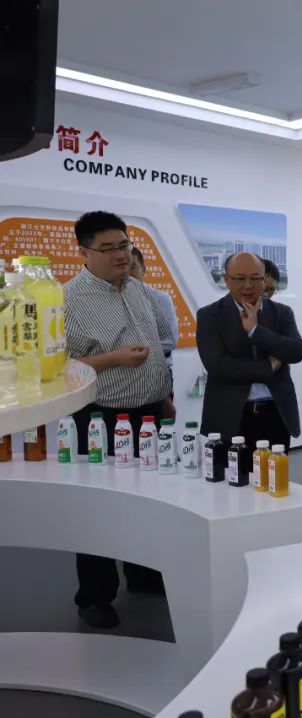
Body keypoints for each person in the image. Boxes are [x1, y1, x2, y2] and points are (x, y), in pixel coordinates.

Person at [64, 211, 176, 629]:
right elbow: (58, 367)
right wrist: (113, 359)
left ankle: (144, 574)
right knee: (99, 509)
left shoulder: (138, 288)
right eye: (108, 248)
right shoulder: (68, 299)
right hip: (101, 417)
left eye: (124, 245)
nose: (121, 255)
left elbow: (158, 346)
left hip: (150, 412)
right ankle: (94, 596)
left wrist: (164, 397)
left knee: (150, 501)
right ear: (84, 252)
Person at [196, 252, 302, 450]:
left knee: (275, 470)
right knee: (231, 470)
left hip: (275, 413)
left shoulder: (282, 313)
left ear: (264, 279)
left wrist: (256, 331)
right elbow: (218, 366)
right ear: (226, 280)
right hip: (230, 417)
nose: (248, 285)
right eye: (239, 278)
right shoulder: (210, 315)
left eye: (255, 278)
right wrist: (269, 367)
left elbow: (297, 351)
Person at [129, 246, 178, 370]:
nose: (128, 273)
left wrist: (132, 353)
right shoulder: (112, 301)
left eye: (133, 267)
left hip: (158, 371)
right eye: (124, 268)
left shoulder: (161, 299)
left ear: (143, 269)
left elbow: (170, 341)